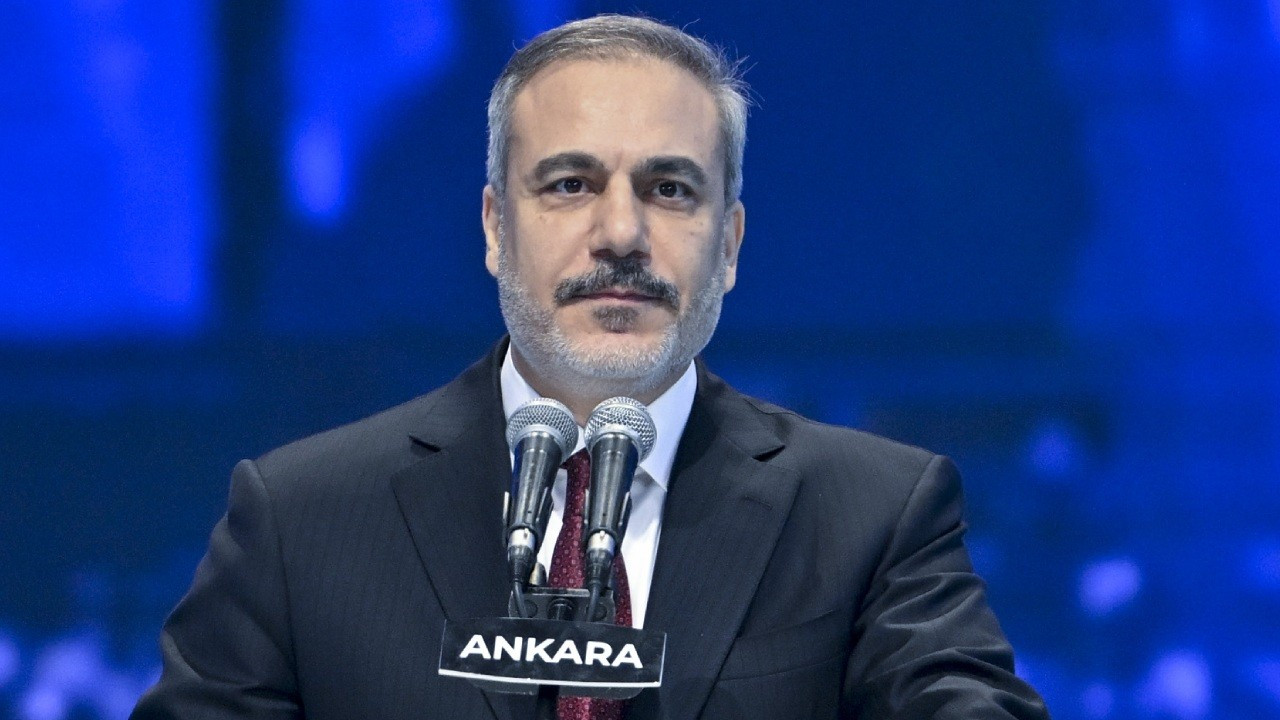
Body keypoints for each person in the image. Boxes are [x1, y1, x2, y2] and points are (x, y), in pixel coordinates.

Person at [132, 14, 1050, 720]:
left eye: (670, 189)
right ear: (495, 228)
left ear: (730, 245)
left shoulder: (872, 515)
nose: (620, 233)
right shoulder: (301, 519)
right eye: (570, 185)